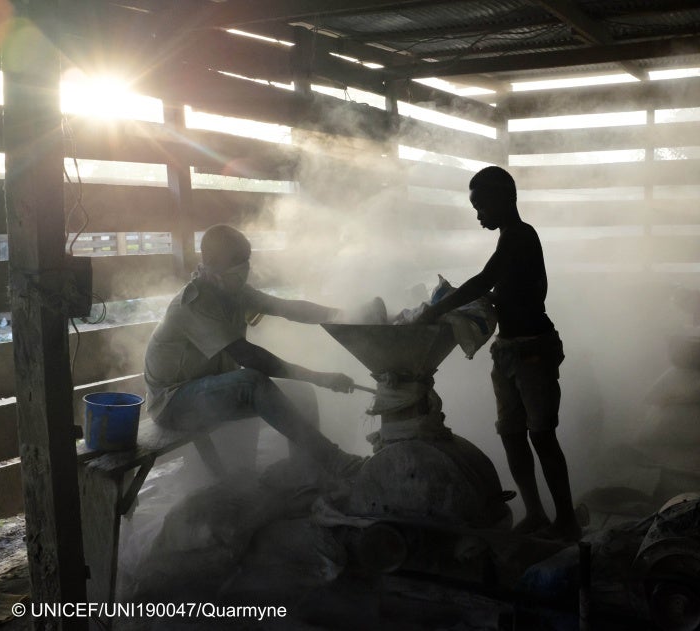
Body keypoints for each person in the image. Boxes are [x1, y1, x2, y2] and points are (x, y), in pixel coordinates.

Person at [416, 166, 581, 542]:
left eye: (481, 206)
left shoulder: (520, 236)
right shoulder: (509, 237)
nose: (478, 215)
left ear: (505, 199)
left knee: (541, 437)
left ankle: (567, 520)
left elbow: (485, 280)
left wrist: (435, 310)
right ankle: (537, 513)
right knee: (511, 433)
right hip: (509, 352)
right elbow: (506, 288)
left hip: (533, 350)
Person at [144, 224, 364, 478]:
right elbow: (248, 357)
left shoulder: (232, 291)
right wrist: (320, 377)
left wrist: (344, 315)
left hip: (211, 389)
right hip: (173, 401)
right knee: (252, 382)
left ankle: (306, 473)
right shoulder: (196, 303)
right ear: (213, 263)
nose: (244, 268)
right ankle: (335, 461)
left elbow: (286, 308)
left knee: (301, 394)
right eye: (236, 261)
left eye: (246, 260)